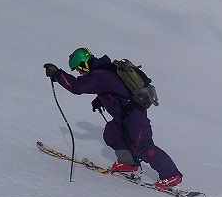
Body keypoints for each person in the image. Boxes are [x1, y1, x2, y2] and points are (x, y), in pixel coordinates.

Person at [44, 48, 183, 189]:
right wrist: (100, 99)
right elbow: (115, 88)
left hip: (134, 117)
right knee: (112, 134)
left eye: (79, 69)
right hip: (124, 116)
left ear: (83, 64)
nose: (79, 73)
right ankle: (129, 164)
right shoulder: (104, 69)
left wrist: (57, 73)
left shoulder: (100, 75)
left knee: (143, 147)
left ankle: (171, 175)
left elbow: (77, 87)